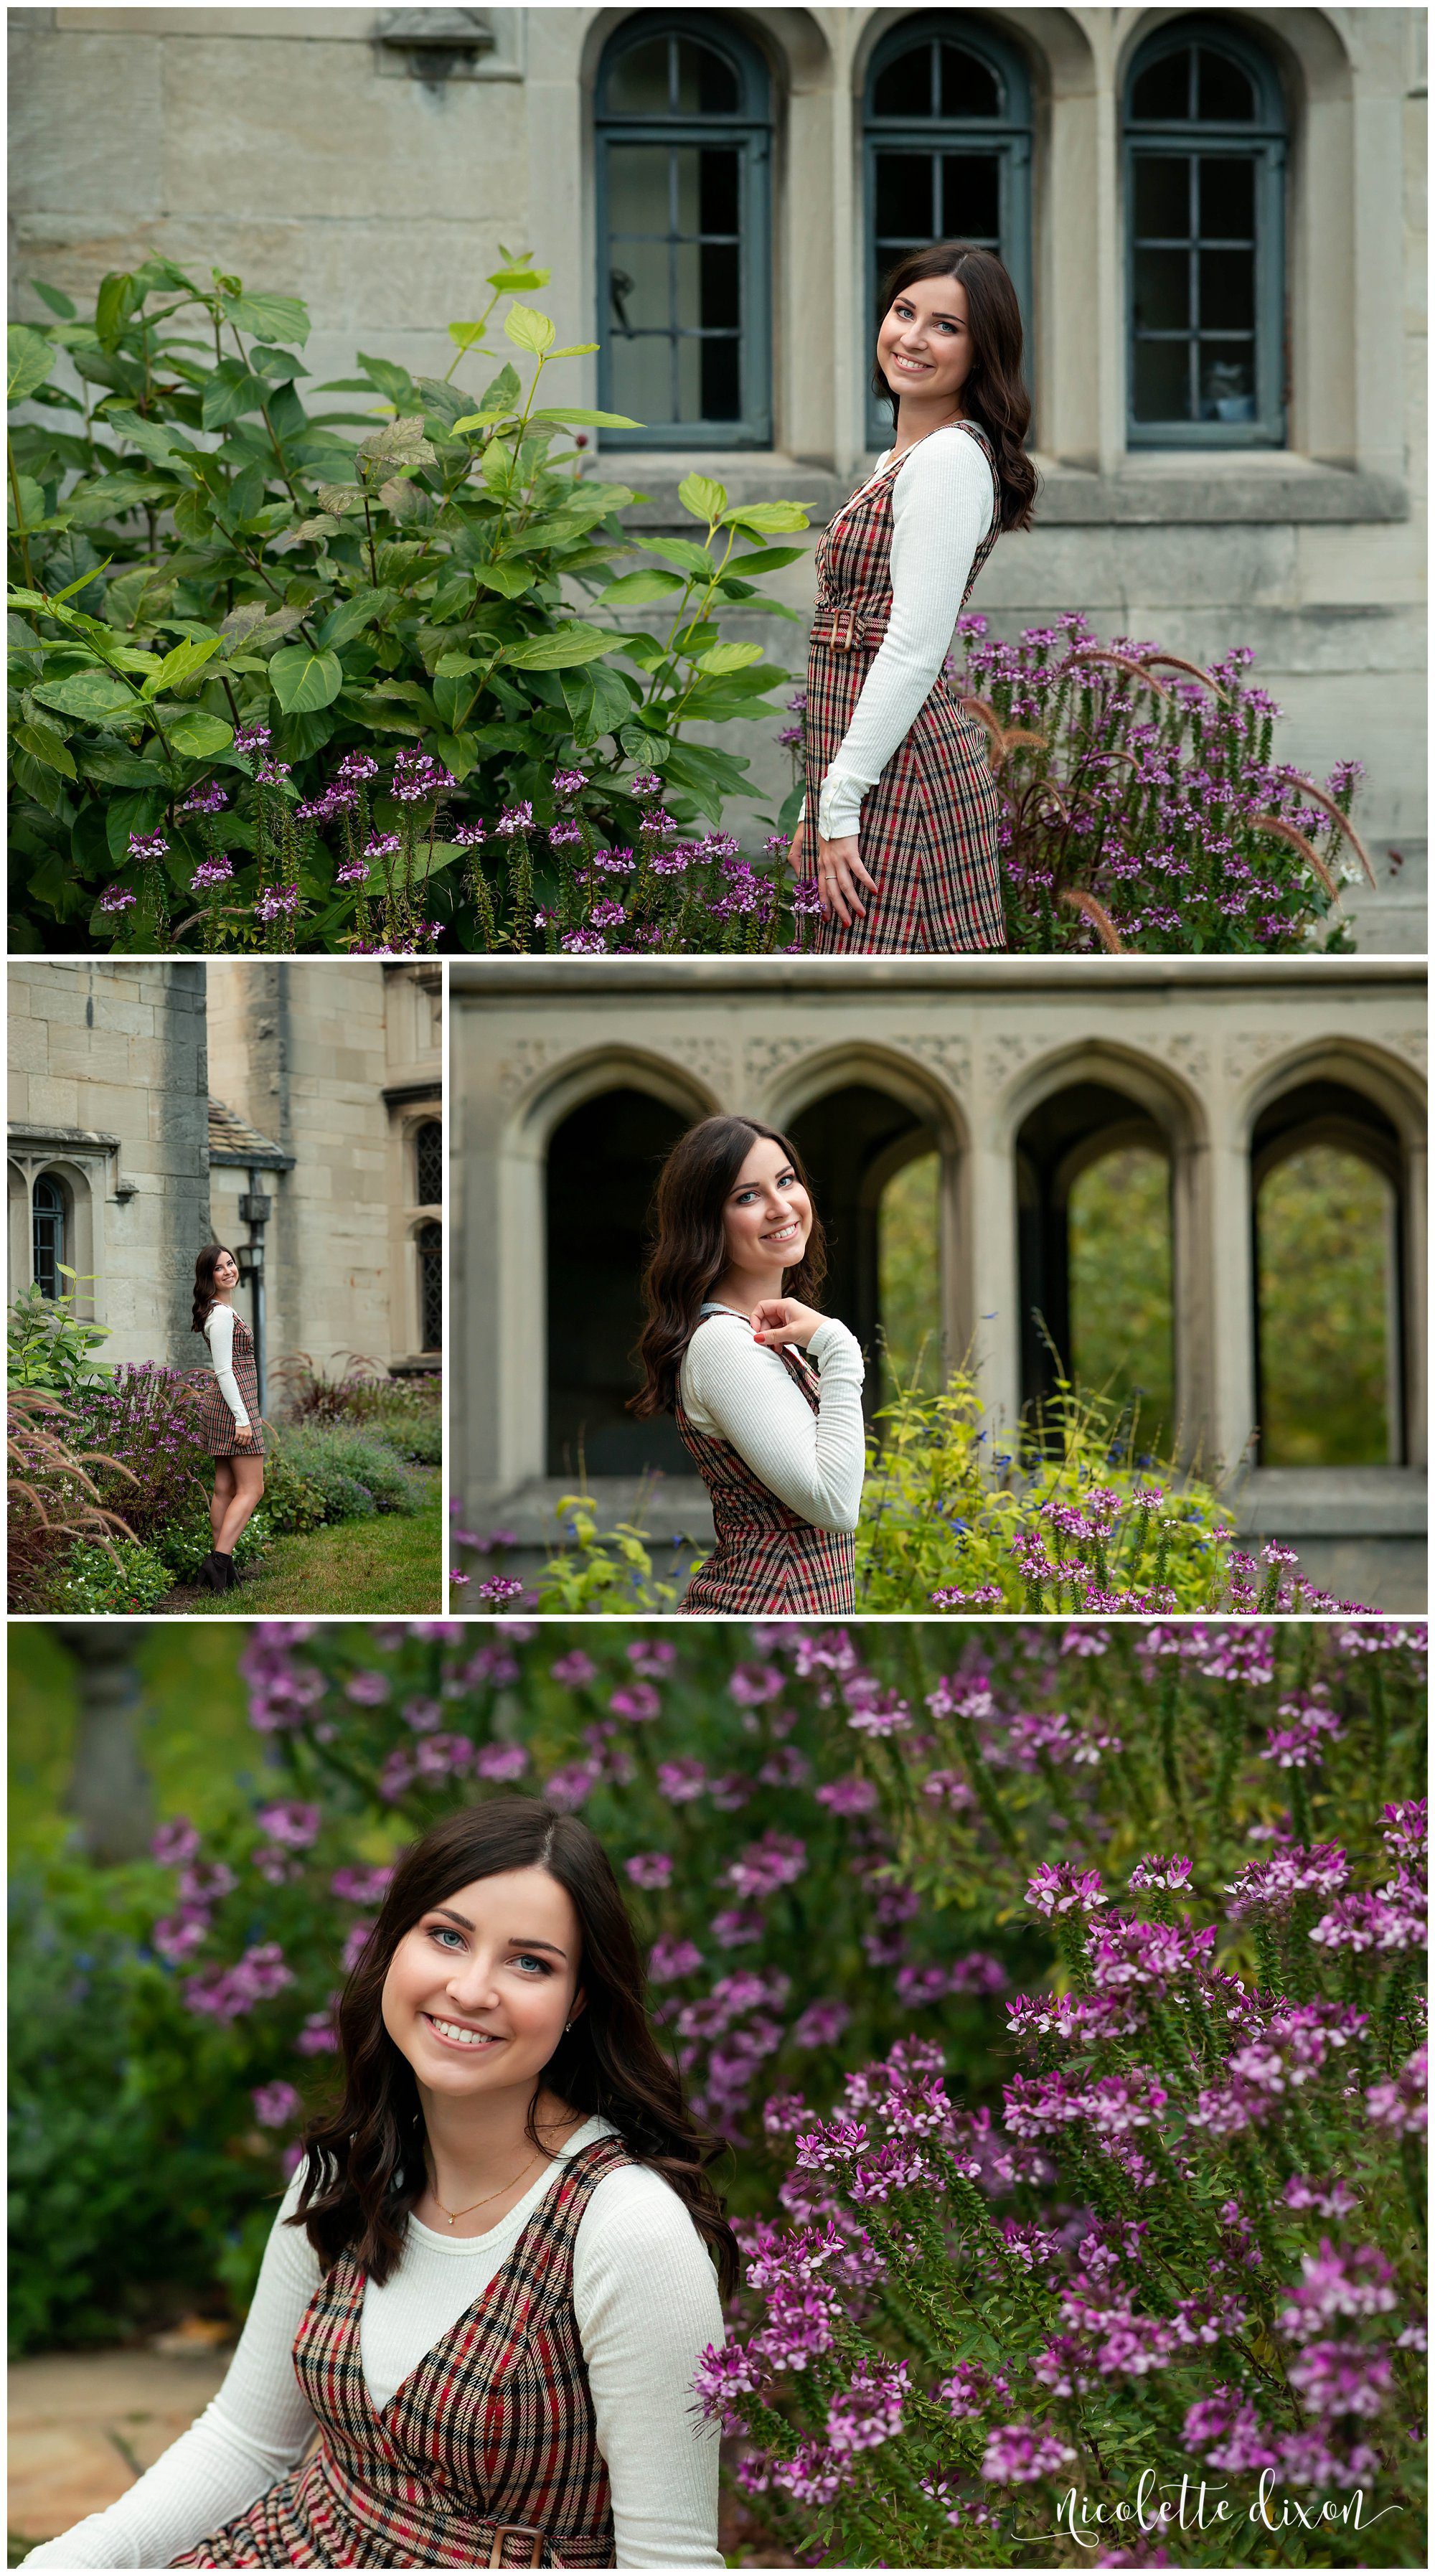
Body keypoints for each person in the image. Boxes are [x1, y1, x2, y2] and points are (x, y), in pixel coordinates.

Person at [25, 1801, 733, 2570]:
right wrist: (73, 2556)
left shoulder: (628, 2232)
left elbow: (670, 2557)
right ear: (394, 1943)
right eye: (447, 1935)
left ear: (579, 2001)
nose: (471, 1987)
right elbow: (246, 2439)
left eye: (529, 1961)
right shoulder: (350, 2168)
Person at [789, 239, 1039, 954]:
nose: (912, 338)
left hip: (906, 780)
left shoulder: (948, 459)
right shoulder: (901, 459)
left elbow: (911, 647)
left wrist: (837, 803)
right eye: (904, 311)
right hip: (870, 768)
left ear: (981, 351)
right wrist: (819, 798)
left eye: (945, 326)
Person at [633, 1115, 864, 1614]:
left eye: (785, 1181)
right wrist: (841, 1350)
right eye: (747, 1197)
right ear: (706, 1222)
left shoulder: (762, 1337)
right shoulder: (724, 1346)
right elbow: (835, 1505)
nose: (781, 1207)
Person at [192, 1244, 264, 1592]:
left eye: (230, 1263)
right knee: (252, 1488)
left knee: (225, 1489)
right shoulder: (220, 1315)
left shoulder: (222, 1311)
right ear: (209, 1277)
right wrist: (243, 1418)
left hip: (230, 1404)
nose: (229, 1271)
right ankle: (218, 1561)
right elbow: (223, 1371)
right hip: (233, 1406)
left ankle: (222, 1567)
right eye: (219, 1268)